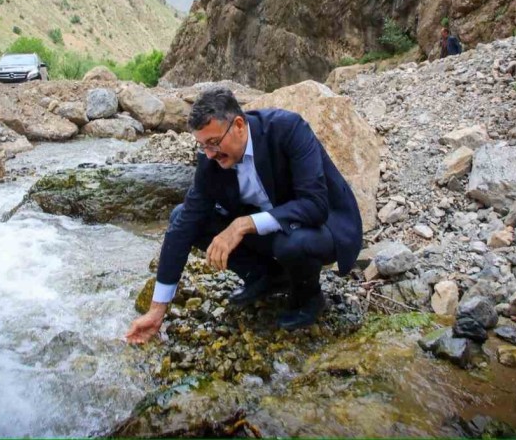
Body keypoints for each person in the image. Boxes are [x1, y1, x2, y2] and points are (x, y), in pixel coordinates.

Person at [125, 87, 363, 344]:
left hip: (322, 226)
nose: (209, 154)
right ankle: (267, 276)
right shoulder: (210, 159)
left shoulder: (288, 129)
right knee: (181, 216)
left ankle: (310, 297)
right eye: (202, 145)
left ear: (238, 125)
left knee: (291, 243)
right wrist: (156, 311)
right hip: (268, 227)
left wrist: (243, 224)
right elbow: (185, 223)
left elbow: (315, 205)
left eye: (214, 143)